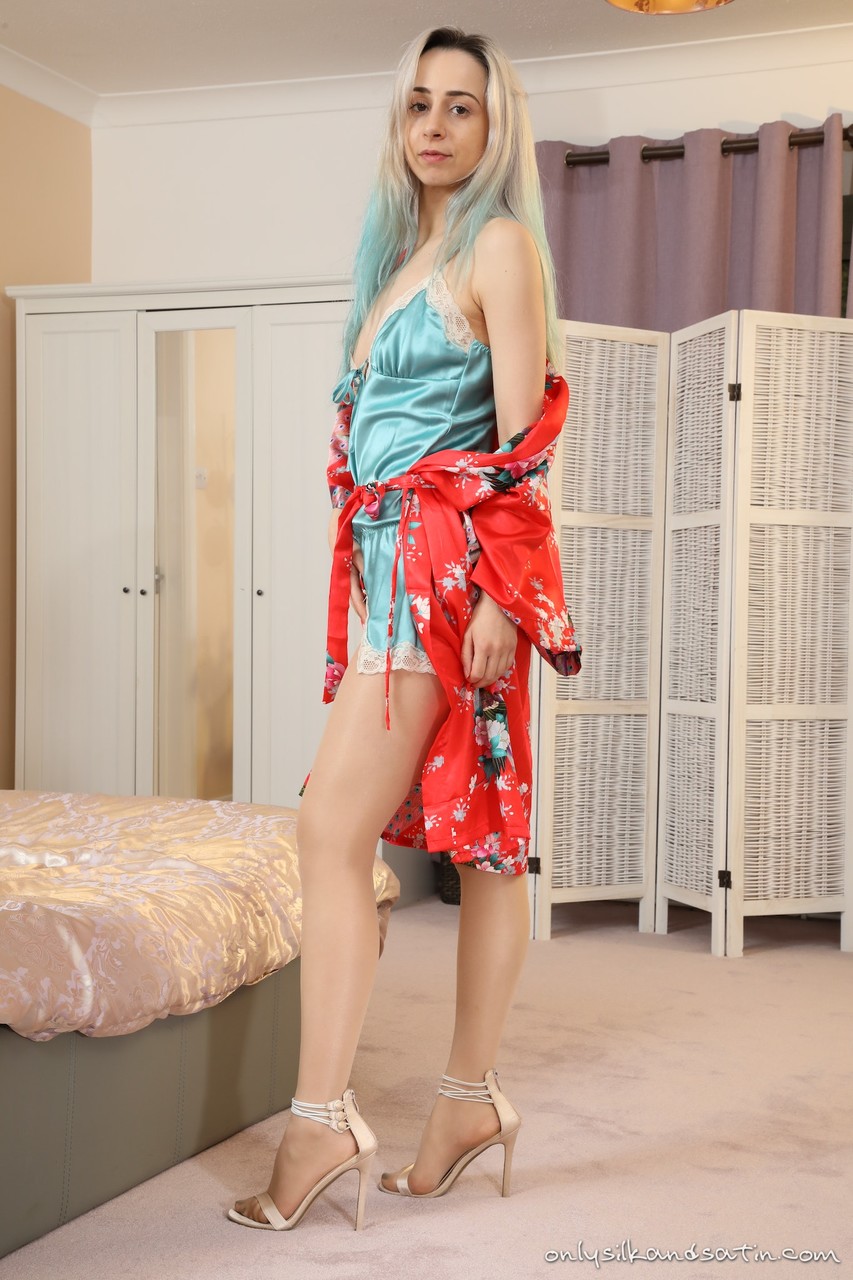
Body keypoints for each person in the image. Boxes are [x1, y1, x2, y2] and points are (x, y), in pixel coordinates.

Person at [228, 25, 580, 1232]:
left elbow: (521, 444)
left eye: (460, 106)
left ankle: (319, 1121)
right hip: (388, 567)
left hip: (445, 576)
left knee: (332, 830)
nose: (434, 125)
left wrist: (499, 599)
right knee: (472, 845)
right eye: (419, 103)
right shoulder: (399, 256)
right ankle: (466, 1102)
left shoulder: (498, 244)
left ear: (494, 126)